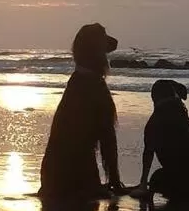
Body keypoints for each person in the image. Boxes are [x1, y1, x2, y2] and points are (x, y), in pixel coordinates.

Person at [39, 23, 126, 200]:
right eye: (104, 37)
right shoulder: (94, 87)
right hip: (76, 178)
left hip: (52, 178)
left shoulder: (76, 84)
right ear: (95, 47)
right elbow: (107, 138)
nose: (111, 41)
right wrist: (116, 183)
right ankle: (107, 184)